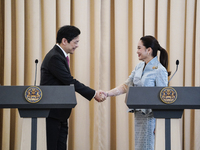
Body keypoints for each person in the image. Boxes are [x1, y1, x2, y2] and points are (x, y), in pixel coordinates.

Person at [40, 25, 106, 150]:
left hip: (60, 111)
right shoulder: (55, 57)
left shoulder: (59, 55)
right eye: (75, 42)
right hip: (53, 111)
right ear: (65, 41)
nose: (77, 45)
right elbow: (69, 81)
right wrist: (93, 93)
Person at [104, 35, 170, 150]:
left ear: (148, 50)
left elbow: (163, 98)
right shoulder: (139, 66)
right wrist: (107, 93)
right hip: (139, 114)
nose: (137, 51)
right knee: (140, 146)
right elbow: (126, 85)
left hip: (151, 117)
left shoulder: (160, 70)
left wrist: (160, 124)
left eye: (139, 48)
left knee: (147, 146)